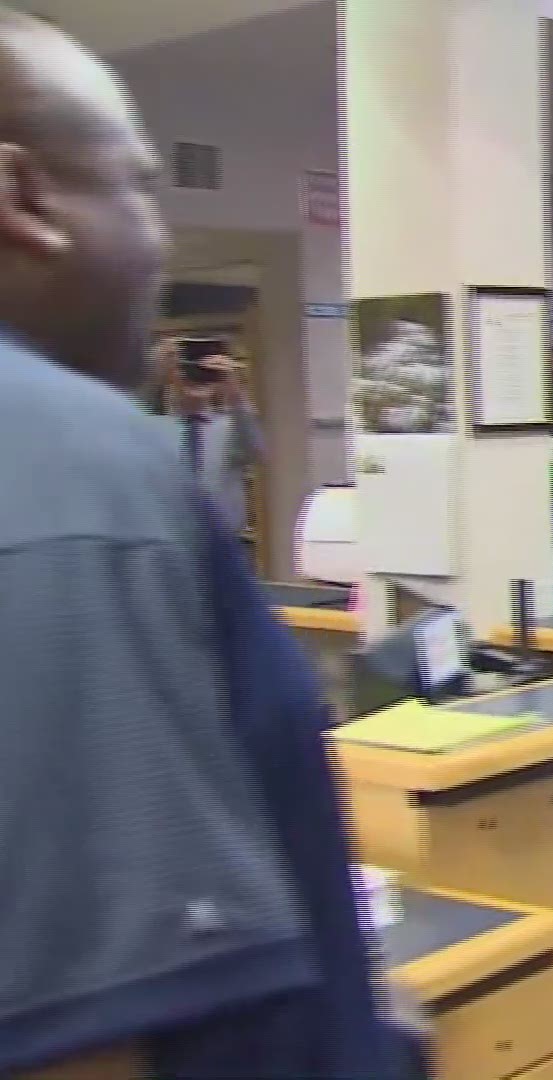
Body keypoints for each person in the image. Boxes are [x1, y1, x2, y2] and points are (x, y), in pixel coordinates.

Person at [0, 9, 410, 1076]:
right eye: (137, 186)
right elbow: (98, 1024)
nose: (160, 237)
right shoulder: (74, 470)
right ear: (23, 198)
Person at [162, 338, 264, 535]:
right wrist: (162, 374)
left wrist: (234, 390)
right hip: (173, 538)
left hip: (224, 539)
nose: (196, 380)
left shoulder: (229, 427)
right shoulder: (158, 429)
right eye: (189, 373)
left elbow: (255, 450)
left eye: (205, 375)